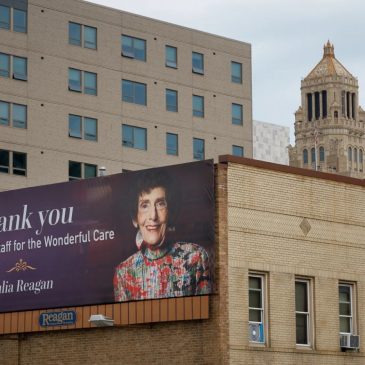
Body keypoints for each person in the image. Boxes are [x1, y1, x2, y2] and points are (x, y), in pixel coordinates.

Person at [113, 170, 210, 301]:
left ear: (170, 212)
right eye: (144, 205)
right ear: (135, 218)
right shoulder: (124, 272)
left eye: (160, 204)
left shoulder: (195, 257)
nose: (153, 216)